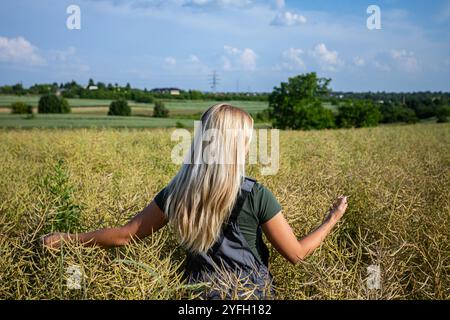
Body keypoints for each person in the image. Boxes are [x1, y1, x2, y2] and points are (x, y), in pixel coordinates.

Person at [43, 103, 348, 299]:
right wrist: (331, 219)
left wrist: (68, 239)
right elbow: (296, 255)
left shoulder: (176, 191)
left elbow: (125, 236)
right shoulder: (256, 194)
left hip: (197, 297)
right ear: (237, 144)